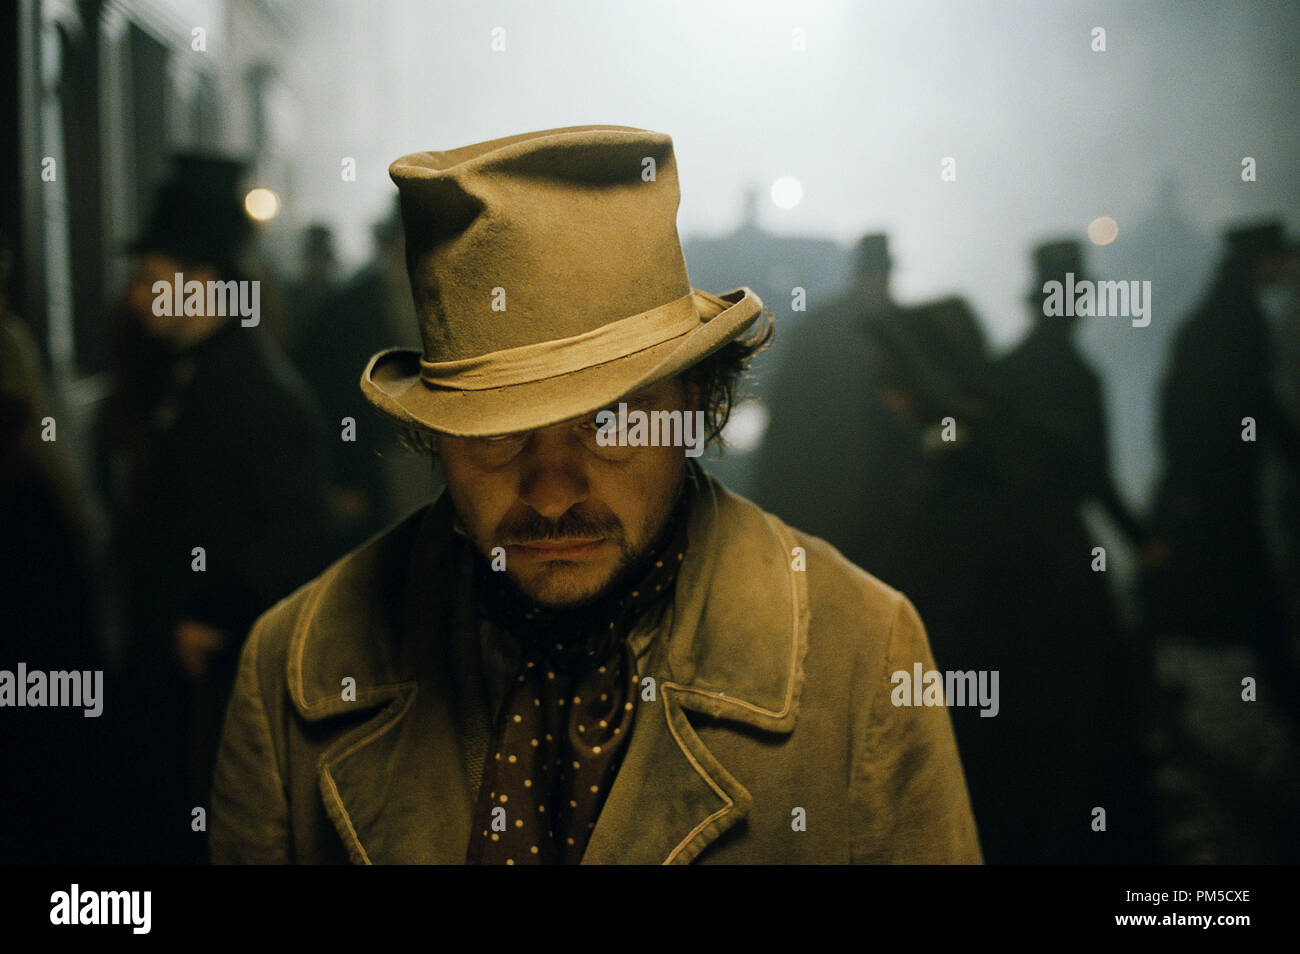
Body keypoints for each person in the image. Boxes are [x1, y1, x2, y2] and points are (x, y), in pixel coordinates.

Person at [210, 125, 981, 865]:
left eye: (610, 423)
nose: (550, 497)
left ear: (694, 406)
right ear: (436, 439)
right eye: (496, 433)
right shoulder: (293, 670)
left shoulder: (861, 653)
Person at [96, 152, 336, 861]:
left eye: (150, 280)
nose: (136, 297)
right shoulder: (184, 374)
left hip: (214, 688)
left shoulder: (257, 393)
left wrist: (217, 615)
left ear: (200, 286)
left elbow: (301, 537)